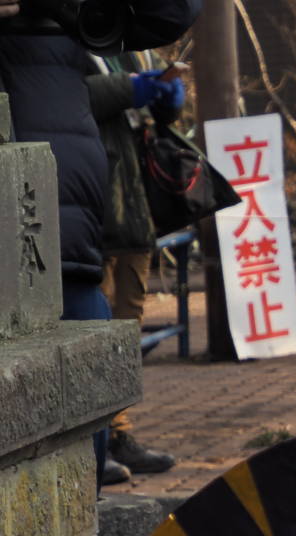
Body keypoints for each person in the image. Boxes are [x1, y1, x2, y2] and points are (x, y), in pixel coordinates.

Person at [0, 0, 200, 483]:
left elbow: (173, 13)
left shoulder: (71, 22)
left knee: (91, 396)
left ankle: (110, 443)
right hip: (21, 242)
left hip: (81, 233)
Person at [85, 51, 184, 482]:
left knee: (127, 327)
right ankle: (93, 439)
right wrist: (132, 87)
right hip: (90, 208)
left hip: (133, 210)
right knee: (92, 329)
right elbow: (70, 94)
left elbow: (154, 113)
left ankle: (120, 432)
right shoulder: (54, 31)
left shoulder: (126, 43)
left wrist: (168, 97)